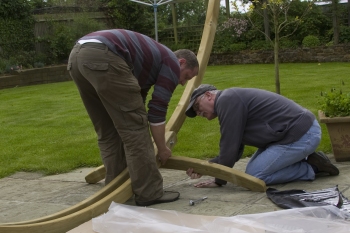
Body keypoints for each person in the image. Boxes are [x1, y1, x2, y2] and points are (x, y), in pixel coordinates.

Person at [67, 29, 199, 206]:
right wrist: (162, 148)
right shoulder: (171, 62)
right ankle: (149, 193)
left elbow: (136, 102)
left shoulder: (148, 62)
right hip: (104, 55)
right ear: (181, 62)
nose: (182, 83)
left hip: (77, 57)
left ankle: (115, 188)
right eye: (186, 76)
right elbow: (157, 111)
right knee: (136, 130)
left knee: (108, 131)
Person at [185, 84, 339, 188]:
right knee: (254, 170)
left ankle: (313, 167)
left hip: (303, 134)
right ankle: (304, 159)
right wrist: (208, 169)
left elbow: (228, 148)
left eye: (197, 107)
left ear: (209, 95)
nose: (199, 113)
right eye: (196, 112)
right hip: (288, 136)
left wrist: (217, 178)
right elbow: (234, 150)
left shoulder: (227, 100)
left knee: (255, 176)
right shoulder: (230, 101)